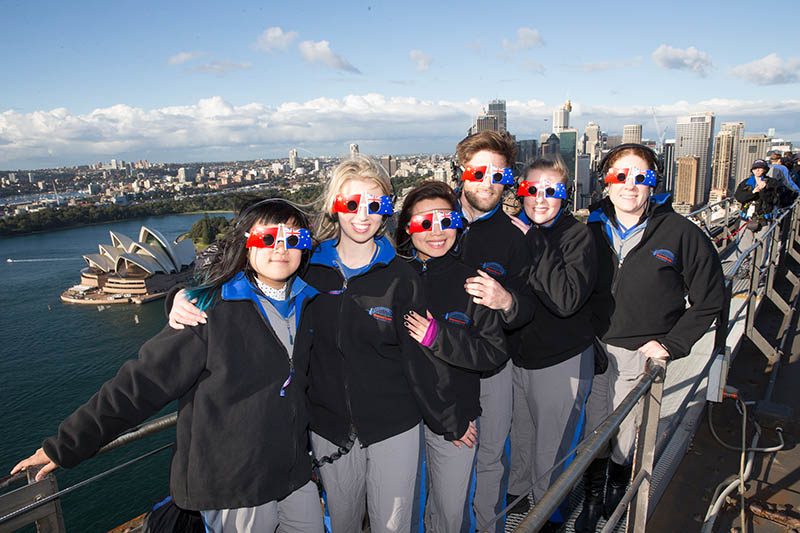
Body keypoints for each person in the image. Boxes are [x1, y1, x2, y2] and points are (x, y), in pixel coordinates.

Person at [168, 155, 470, 533]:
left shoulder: (402, 276)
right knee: (342, 523)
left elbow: (419, 360)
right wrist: (181, 297)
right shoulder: (305, 266)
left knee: (393, 527)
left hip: (395, 426)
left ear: (386, 210)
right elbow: (240, 279)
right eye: (352, 203)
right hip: (329, 428)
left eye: (375, 204)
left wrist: (449, 419)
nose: (363, 215)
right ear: (334, 207)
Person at [12, 199, 325, 533]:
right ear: (246, 243)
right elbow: (140, 384)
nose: (281, 248)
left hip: (293, 474)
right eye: (268, 238)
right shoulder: (207, 311)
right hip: (237, 486)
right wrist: (65, 446)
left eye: (294, 239)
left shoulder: (307, 303)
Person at [579, 144, 726, 532]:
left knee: (626, 435)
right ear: (606, 182)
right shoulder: (590, 229)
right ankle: (591, 500)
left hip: (638, 354)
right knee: (593, 431)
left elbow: (711, 297)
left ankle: (615, 494)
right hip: (591, 350)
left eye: (640, 177)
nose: (629, 185)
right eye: (620, 176)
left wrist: (672, 344)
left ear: (653, 183)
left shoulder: (680, 233)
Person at [397, 180, 520, 533]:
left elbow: (493, 352)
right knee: (402, 513)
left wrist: (440, 339)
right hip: (400, 420)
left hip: (455, 418)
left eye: (446, 221)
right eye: (424, 222)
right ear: (407, 227)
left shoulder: (471, 282)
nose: (437, 232)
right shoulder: (392, 279)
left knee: (450, 514)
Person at [506, 157, 598, 532]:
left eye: (551, 190)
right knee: (521, 439)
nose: (540, 199)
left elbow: (566, 300)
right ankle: (516, 498)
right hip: (520, 357)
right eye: (531, 189)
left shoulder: (577, 237)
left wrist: (533, 241)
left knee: (552, 450)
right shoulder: (516, 230)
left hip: (561, 360)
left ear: (566, 194)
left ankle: (548, 517)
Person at [452, 130, 532, 533]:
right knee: (438, 459)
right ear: (461, 172)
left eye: (498, 176)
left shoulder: (514, 236)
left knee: (490, 458)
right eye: (479, 172)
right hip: (439, 363)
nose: (488, 183)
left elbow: (529, 307)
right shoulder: (429, 220)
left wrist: (507, 302)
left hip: (492, 367)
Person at [731, 159, 781, 270]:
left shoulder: (772, 183)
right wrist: (753, 192)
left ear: (765, 170)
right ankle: (743, 267)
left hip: (763, 219)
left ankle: (758, 269)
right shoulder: (746, 183)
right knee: (743, 245)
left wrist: (763, 190)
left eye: (760, 168)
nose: (757, 170)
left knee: (762, 246)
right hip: (746, 219)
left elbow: (773, 200)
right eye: (755, 168)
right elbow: (739, 197)